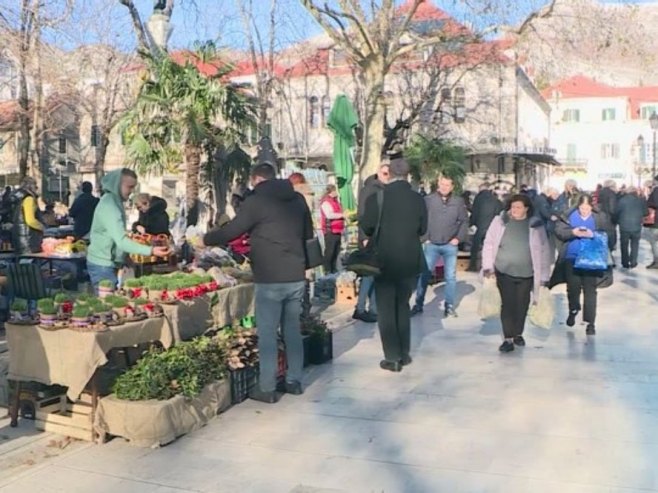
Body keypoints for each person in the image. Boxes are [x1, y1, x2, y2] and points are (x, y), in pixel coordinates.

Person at [203, 164, 314, 403]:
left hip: (270, 277)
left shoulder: (256, 201)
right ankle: (294, 381)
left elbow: (232, 230)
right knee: (292, 330)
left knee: (267, 333)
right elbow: (308, 234)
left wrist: (206, 238)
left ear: (256, 179)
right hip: (295, 274)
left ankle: (267, 387)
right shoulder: (297, 200)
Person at [360, 157, 427, 372]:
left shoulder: (377, 197)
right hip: (410, 259)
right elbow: (423, 229)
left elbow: (367, 226)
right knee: (403, 305)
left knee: (386, 309)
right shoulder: (418, 199)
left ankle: (392, 356)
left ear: (389, 173)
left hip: (384, 259)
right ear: (408, 174)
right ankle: (404, 353)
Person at [482, 195, 552, 353]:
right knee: (507, 304)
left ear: (526, 208)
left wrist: (544, 277)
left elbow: (544, 250)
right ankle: (508, 338)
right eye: (513, 207)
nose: (515, 210)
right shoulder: (499, 221)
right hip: (504, 270)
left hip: (527, 273)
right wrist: (487, 267)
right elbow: (489, 243)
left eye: (518, 207)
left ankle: (518, 333)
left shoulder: (535, 225)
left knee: (522, 304)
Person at [87, 168, 170, 291]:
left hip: (108, 262)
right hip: (103, 265)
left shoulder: (115, 202)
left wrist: (125, 258)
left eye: (133, 187)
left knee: (114, 304)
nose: (131, 191)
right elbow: (121, 240)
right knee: (108, 305)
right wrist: (151, 251)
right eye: (129, 187)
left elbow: (116, 237)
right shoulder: (109, 205)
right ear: (117, 184)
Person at [549, 194, 614, 336]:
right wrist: (573, 232)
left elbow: (610, 234)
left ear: (592, 206)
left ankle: (591, 323)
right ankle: (573, 309)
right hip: (571, 257)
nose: (584, 211)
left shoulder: (600, 217)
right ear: (577, 206)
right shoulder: (568, 216)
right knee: (573, 288)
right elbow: (559, 231)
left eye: (587, 208)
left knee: (590, 291)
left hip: (592, 259)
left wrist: (594, 235)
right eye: (581, 208)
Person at [411, 175, 468, 317]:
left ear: (452, 187)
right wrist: (424, 238)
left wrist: (458, 238)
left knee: (450, 276)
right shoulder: (428, 200)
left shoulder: (458, 202)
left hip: (450, 244)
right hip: (432, 244)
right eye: (442, 184)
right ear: (438, 184)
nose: (444, 187)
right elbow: (420, 219)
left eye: (447, 185)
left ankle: (449, 306)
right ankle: (418, 304)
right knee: (424, 275)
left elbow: (464, 221)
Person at [354, 163, 390, 323]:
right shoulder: (369, 189)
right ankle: (360, 308)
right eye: (384, 173)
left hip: (383, 238)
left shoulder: (386, 190)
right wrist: (364, 236)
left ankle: (374, 308)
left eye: (389, 174)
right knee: (369, 275)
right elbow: (362, 214)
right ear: (378, 172)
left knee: (378, 276)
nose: (387, 176)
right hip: (371, 237)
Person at [468, 182, 502, 272]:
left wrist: (471, 223)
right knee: (491, 247)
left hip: (481, 227)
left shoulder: (478, 199)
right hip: (491, 227)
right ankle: (492, 266)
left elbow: (475, 213)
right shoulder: (495, 200)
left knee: (475, 247)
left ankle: (473, 265)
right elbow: (499, 213)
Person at [615, 186, 647, 269]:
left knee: (624, 245)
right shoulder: (641, 200)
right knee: (635, 244)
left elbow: (617, 212)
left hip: (624, 226)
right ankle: (633, 262)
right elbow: (645, 212)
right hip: (636, 225)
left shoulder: (622, 200)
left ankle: (625, 262)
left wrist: (617, 221)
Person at [11, 177, 44, 255]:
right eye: (36, 187)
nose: (37, 189)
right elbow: (30, 220)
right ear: (31, 186)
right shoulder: (28, 198)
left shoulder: (17, 198)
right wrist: (41, 227)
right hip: (28, 239)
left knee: (21, 264)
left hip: (18, 237)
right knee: (31, 263)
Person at [320, 184, 344, 274]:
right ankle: (327, 270)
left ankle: (334, 269)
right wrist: (342, 215)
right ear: (330, 192)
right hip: (330, 230)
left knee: (336, 251)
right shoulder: (326, 202)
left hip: (338, 230)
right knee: (330, 251)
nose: (336, 192)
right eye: (334, 191)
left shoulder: (335, 201)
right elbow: (329, 215)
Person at [534, 186, 560, 260]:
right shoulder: (542, 200)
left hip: (537, 222)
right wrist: (552, 217)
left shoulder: (538, 198)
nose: (555, 196)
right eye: (554, 194)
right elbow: (545, 211)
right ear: (549, 193)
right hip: (541, 222)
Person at [598, 180, 618, 266]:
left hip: (601, 218)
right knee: (610, 239)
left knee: (603, 238)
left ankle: (605, 257)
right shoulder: (612, 194)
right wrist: (615, 219)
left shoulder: (601, 193)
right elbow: (612, 208)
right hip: (609, 219)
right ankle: (610, 260)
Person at [644, 176, 658, 269]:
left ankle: (656, 261)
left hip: (656, 221)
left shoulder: (656, 190)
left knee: (654, 242)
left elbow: (656, 203)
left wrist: (648, 203)